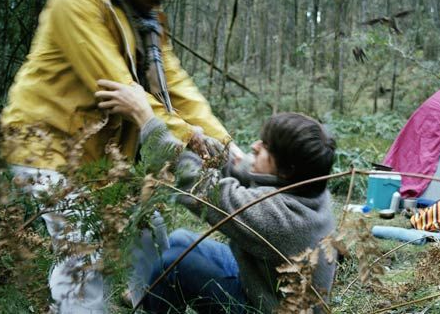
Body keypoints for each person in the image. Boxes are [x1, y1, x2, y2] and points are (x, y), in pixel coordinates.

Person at [0, 0, 239, 312]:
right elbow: (115, 84)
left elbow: (173, 84)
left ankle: (150, 304)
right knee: (82, 251)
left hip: (99, 155)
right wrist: (187, 135)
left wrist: (227, 145)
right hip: (47, 146)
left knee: (150, 235)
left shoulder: (146, 17)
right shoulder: (77, 0)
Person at [95, 80, 338, 313]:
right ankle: (155, 294)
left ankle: (157, 299)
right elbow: (246, 170)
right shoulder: (308, 183)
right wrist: (207, 146)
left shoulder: (282, 220)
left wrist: (145, 118)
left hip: (268, 307)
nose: (254, 146)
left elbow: (202, 188)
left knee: (174, 266)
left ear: (286, 171)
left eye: (265, 148)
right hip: (263, 284)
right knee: (180, 240)